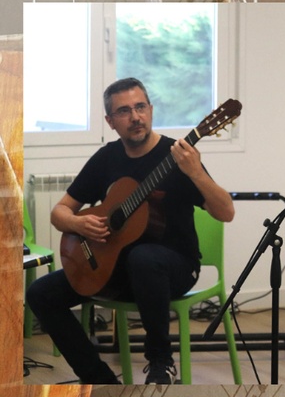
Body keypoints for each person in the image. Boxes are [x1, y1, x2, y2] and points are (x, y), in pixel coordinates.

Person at [26, 78, 235, 385]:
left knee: (144, 257)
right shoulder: (107, 158)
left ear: (151, 109)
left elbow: (226, 212)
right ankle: (100, 381)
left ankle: (161, 363)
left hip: (175, 269)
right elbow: (60, 212)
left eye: (140, 107)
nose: (135, 117)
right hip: (116, 269)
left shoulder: (177, 157)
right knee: (40, 293)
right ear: (110, 121)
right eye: (124, 111)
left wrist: (196, 173)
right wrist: (78, 223)